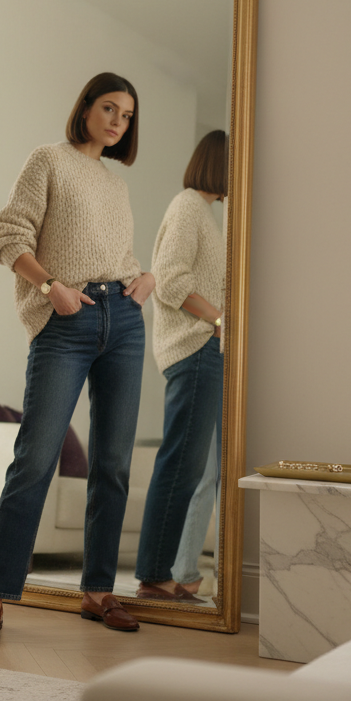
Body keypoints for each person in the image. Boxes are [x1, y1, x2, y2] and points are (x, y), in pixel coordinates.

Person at [0, 72, 155, 645]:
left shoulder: (115, 185)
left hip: (121, 319)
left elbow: (114, 252)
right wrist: (52, 288)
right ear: (87, 108)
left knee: (114, 463)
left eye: (126, 114)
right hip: (65, 321)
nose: (117, 120)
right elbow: (7, 236)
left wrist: (142, 277)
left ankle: (99, 592)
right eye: (108, 107)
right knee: (35, 458)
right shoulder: (46, 160)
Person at [134, 129, 228, 602]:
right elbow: (169, 280)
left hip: (208, 351)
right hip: (194, 350)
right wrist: (217, 319)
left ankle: (177, 572)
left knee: (199, 469)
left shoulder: (206, 213)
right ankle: (154, 575)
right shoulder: (189, 205)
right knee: (181, 466)